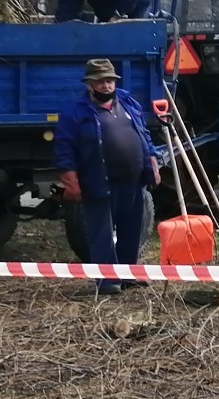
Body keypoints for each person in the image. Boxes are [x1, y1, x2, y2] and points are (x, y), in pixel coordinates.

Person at [54, 59, 161, 295]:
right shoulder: (75, 112)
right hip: (98, 183)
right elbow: (64, 150)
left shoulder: (128, 101)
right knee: (101, 233)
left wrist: (152, 160)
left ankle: (128, 274)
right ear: (89, 84)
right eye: (100, 81)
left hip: (133, 181)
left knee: (131, 230)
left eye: (110, 80)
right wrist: (71, 182)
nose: (106, 85)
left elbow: (144, 134)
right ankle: (107, 280)